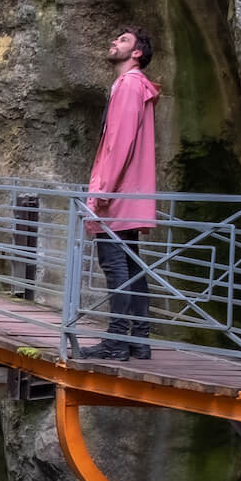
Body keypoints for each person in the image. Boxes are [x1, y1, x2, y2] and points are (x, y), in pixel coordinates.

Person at [82, 26, 160, 361]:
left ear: (137, 53)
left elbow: (121, 141)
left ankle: (116, 341)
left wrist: (104, 190)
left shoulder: (129, 85)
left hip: (118, 196)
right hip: (130, 194)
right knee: (130, 265)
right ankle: (138, 340)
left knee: (116, 266)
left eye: (123, 40)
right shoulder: (134, 86)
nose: (114, 42)